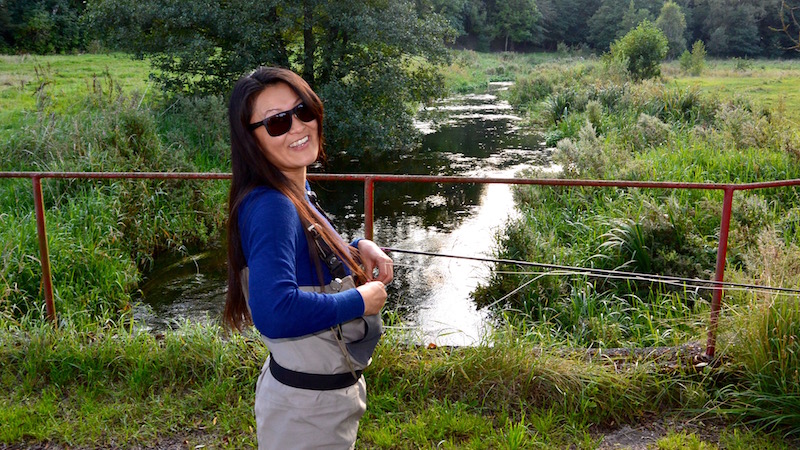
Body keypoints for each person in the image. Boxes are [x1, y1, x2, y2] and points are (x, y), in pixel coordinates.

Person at [223, 66, 393, 449]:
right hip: (307, 412)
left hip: (315, 402)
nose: (298, 127)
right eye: (277, 122)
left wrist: (356, 247)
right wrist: (359, 300)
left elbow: (303, 255)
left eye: (302, 111)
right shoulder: (272, 206)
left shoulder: (295, 186)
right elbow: (275, 311)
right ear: (251, 140)